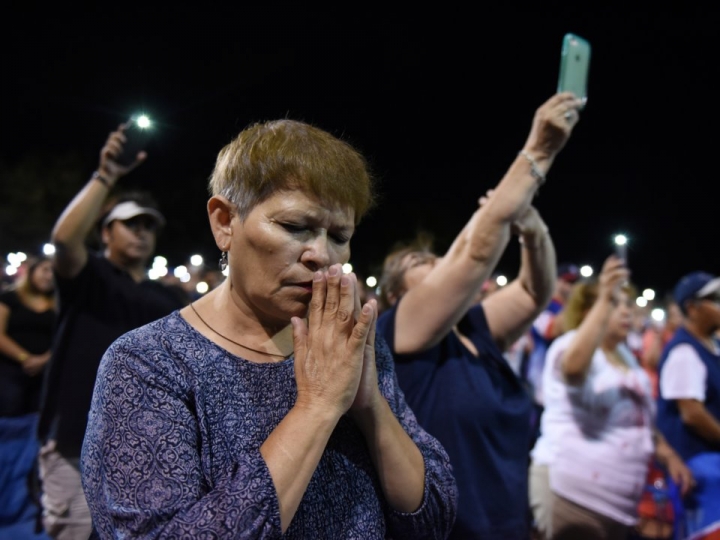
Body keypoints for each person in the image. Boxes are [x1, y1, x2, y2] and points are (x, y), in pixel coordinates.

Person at [81, 118, 458, 539]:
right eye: (295, 227)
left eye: (339, 235)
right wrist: (318, 405)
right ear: (225, 222)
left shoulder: (345, 342)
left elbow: (433, 517)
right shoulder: (148, 363)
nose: (320, 254)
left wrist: (370, 407)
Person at [375, 92, 582, 539]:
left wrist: (531, 229)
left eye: (438, 260)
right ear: (395, 295)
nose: (436, 268)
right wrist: (539, 151)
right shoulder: (398, 333)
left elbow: (533, 290)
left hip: (507, 524)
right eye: (420, 268)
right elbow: (472, 254)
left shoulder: (474, 328)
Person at [36, 125, 188, 540]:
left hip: (140, 443)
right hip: (73, 438)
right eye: (129, 223)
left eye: (148, 225)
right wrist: (106, 176)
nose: (141, 232)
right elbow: (64, 241)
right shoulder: (91, 276)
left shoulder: (165, 296)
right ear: (105, 232)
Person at [529, 256, 694, 540]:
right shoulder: (568, 345)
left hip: (619, 506)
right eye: (614, 304)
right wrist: (604, 295)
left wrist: (666, 453)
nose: (625, 311)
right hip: (573, 494)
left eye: (626, 303)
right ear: (587, 312)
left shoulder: (625, 355)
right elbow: (573, 370)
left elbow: (637, 416)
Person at [657, 272, 720, 539]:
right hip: (697, 465)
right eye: (714, 299)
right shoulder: (685, 351)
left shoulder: (710, 345)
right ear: (692, 308)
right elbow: (692, 414)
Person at [0, 256, 55, 540]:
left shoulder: (57, 304)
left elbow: (62, 338)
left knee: (35, 437)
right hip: (10, 376)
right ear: (31, 272)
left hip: (43, 380)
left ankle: (29, 500)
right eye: (44, 269)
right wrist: (25, 358)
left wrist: (45, 360)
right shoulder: (10, 298)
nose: (49, 275)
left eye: (52, 271)